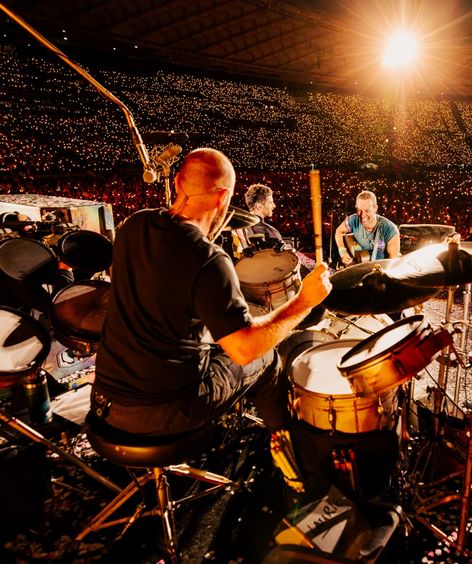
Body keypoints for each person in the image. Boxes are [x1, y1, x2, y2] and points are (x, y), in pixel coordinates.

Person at [92, 148, 331, 435]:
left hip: (104, 401)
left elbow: (164, 284)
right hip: (165, 412)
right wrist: (304, 301)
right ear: (222, 198)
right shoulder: (208, 260)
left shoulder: (134, 225)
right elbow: (244, 350)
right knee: (265, 358)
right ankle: (286, 444)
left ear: (178, 182)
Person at [334, 190, 400, 267]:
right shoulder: (353, 220)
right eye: (359, 210)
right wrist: (343, 252)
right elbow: (338, 231)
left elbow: (392, 264)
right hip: (359, 268)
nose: (362, 215)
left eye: (367, 210)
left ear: (375, 208)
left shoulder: (390, 229)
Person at [243, 183, 287, 250]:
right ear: (259, 206)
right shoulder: (271, 231)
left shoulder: (239, 228)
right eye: (270, 202)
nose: (274, 205)